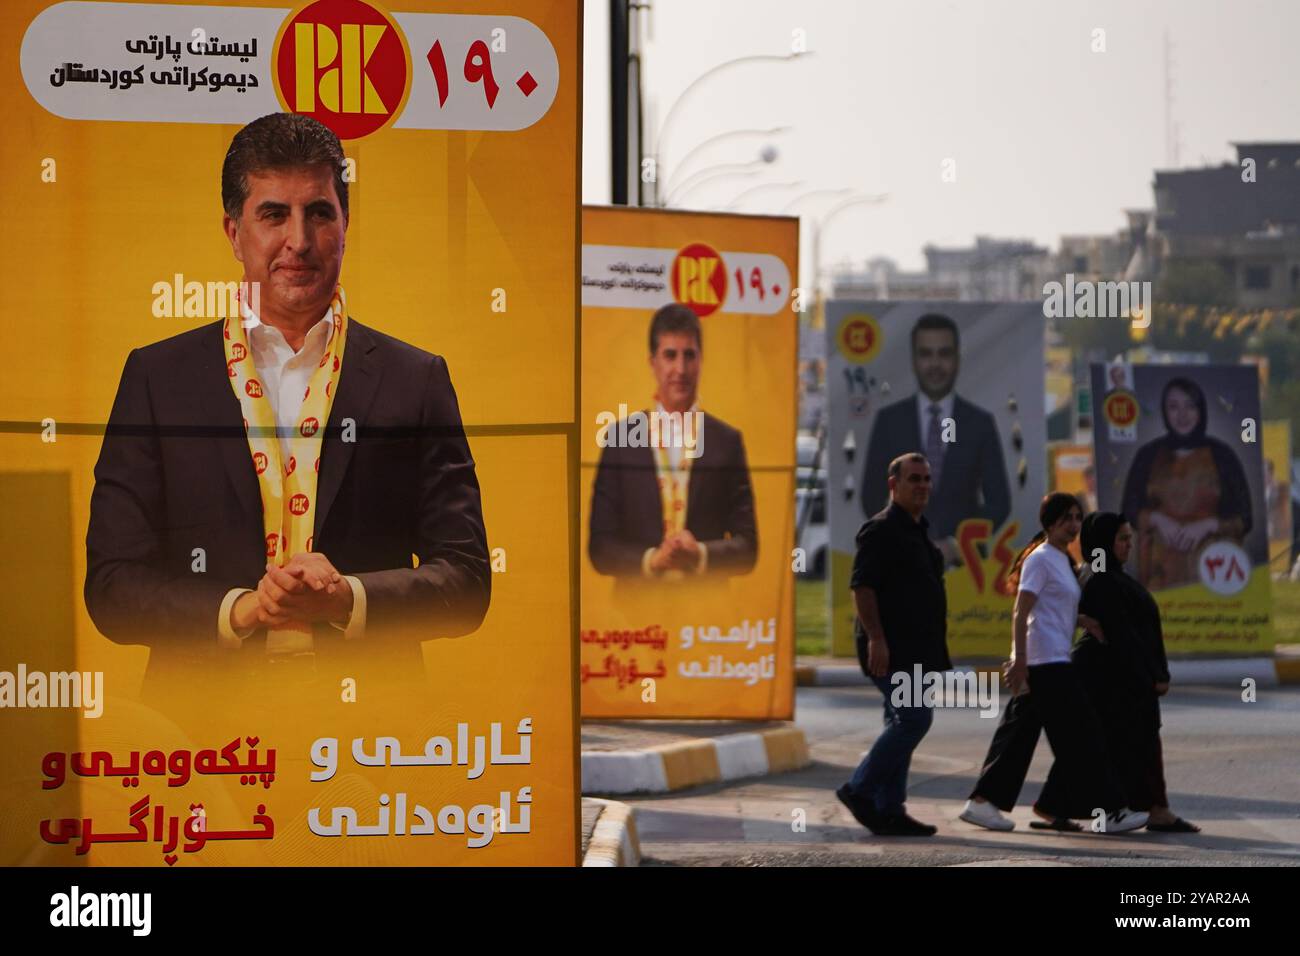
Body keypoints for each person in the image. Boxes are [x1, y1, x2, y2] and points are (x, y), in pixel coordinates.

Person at [85, 113, 491, 691]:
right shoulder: (158, 378)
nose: (298, 241)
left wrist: (346, 598)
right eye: (273, 214)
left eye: (319, 213)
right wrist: (243, 610)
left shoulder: (416, 379)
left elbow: (468, 581)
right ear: (233, 232)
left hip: (374, 733)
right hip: (201, 737)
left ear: (345, 223)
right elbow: (112, 587)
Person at [959, 493, 1148, 834]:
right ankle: (1111, 812)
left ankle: (986, 803)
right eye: (1066, 519)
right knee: (1085, 736)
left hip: (1053, 659)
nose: (1074, 525)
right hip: (1046, 663)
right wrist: (1018, 659)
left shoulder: (1062, 560)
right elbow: (1022, 610)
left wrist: (1082, 620)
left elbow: (1053, 607)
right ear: (1049, 524)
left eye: (1077, 518)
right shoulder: (1040, 559)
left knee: (1020, 735)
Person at [588, 303, 757, 580]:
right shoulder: (620, 439)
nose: (681, 368)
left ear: (701, 360)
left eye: (689, 355)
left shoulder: (727, 441)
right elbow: (600, 547)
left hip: (707, 616)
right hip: (632, 615)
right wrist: (651, 561)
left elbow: (748, 548)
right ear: (652, 362)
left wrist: (701, 554)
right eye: (670, 355)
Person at [836, 452, 950, 836]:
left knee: (899, 720)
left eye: (926, 479)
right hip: (892, 649)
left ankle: (891, 809)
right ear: (893, 485)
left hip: (918, 650)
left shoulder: (918, 530)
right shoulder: (881, 530)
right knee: (915, 719)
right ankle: (860, 789)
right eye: (913, 478)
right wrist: (877, 639)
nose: (921, 485)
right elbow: (862, 586)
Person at [1075, 512, 1199, 832]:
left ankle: (1145, 807)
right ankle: (1153, 809)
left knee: (1134, 745)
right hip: (1123, 682)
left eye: (1130, 538)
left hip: (1130, 680)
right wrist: (1152, 678)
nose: (1130, 545)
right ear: (1103, 543)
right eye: (1122, 538)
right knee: (1136, 745)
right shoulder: (1104, 582)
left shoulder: (1110, 577)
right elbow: (1123, 638)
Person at [861, 313, 1011, 565]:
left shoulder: (980, 423)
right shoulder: (889, 421)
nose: (935, 364)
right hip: (901, 564)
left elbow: (999, 502)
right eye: (926, 354)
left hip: (966, 569)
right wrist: (904, 540)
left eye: (944, 353)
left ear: (957, 359)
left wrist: (959, 543)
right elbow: (870, 496)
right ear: (914, 360)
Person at [1120, 376, 1253, 590]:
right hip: (1158, 575)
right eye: (1173, 407)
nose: (1182, 415)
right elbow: (1127, 511)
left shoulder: (1222, 455)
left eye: (1190, 406)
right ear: (1164, 412)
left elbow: (1245, 518)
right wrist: (1156, 519)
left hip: (1214, 575)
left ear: (1200, 410)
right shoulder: (1148, 455)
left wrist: (1209, 525)